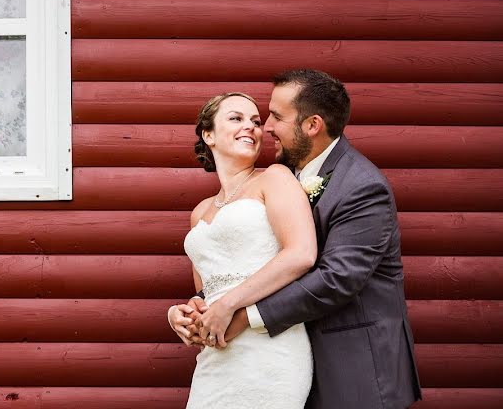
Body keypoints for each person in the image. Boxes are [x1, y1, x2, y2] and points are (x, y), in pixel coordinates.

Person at [170, 69, 422, 409]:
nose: (265, 127)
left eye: (274, 117)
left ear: (312, 125)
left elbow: (337, 278)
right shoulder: (289, 175)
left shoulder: (361, 185)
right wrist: (194, 310)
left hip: (354, 364)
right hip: (270, 350)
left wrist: (240, 315)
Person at [169, 91, 317, 408]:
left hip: (269, 348)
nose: (250, 127)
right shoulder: (200, 212)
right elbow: (205, 292)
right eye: (236, 118)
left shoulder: (274, 179)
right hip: (216, 354)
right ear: (208, 134)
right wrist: (181, 315)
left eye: (255, 121)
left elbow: (301, 254)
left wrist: (228, 306)